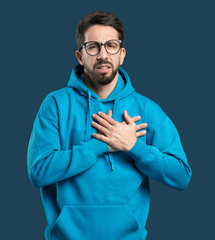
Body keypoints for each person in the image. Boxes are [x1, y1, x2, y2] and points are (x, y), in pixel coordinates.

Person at [27, 11, 192, 240]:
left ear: (122, 54)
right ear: (80, 55)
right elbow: (39, 171)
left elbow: (181, 175)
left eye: (111, 45)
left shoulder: (146, 110)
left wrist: (134, 146)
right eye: (93, 46)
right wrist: (100, 145)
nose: (103, 54)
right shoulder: (55, 104)